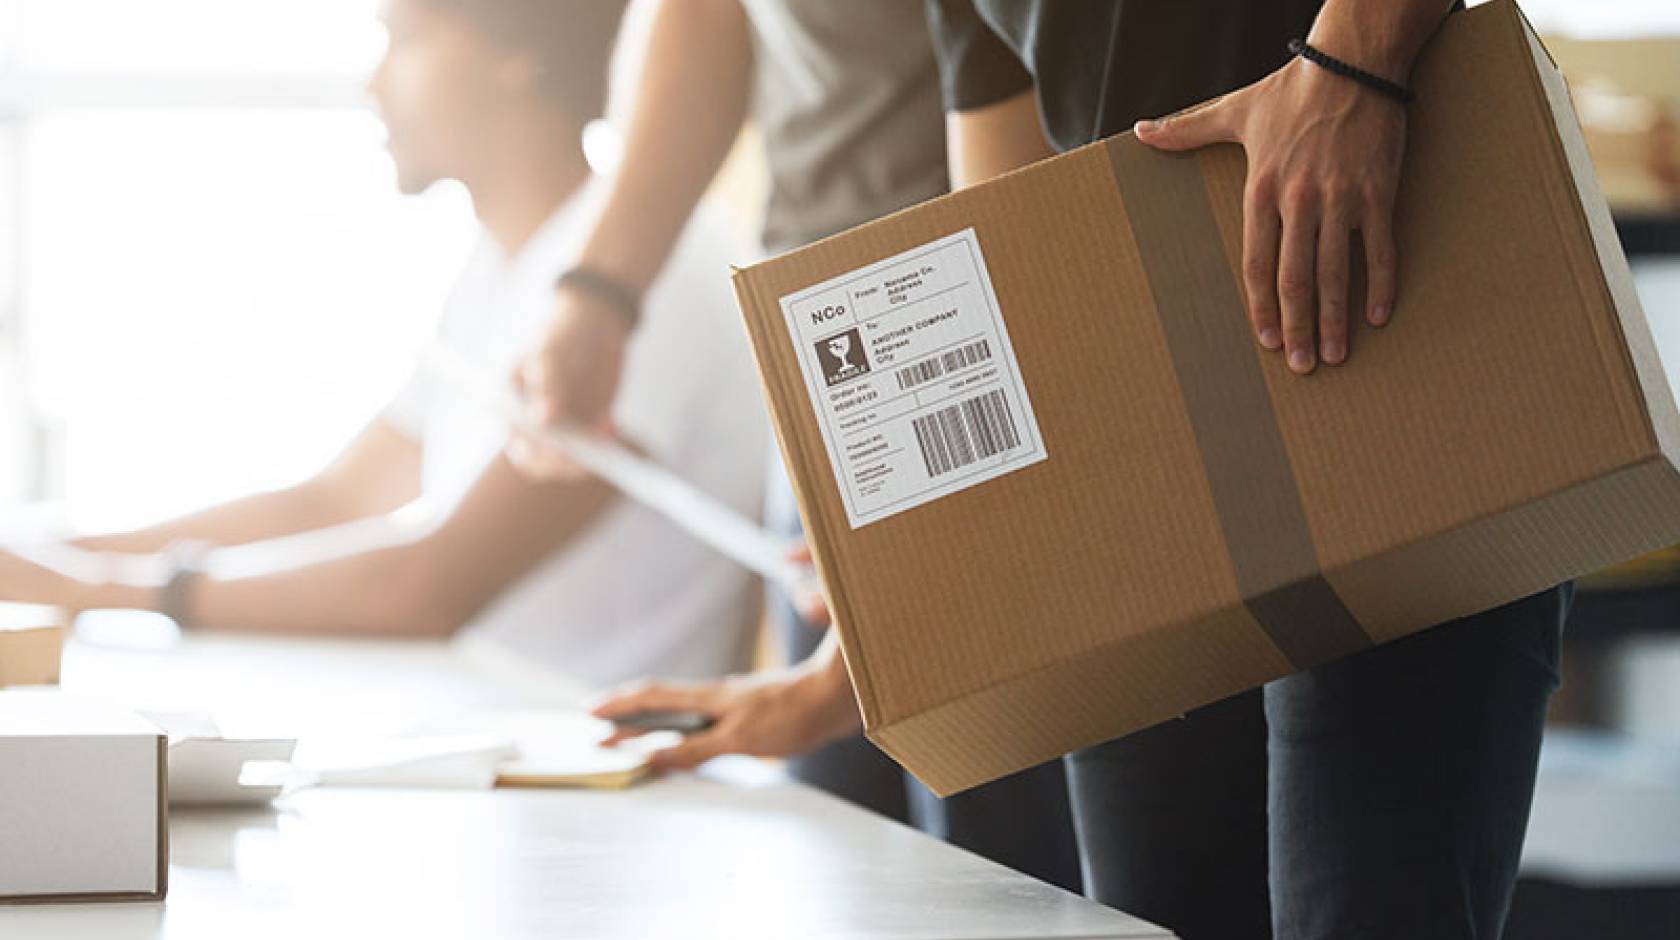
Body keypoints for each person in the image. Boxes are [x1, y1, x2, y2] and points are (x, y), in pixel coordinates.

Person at [598, 2, 1570, 938]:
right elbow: (1003, 297)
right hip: (1152, 479)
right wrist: (859, 653)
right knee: (1149, 922)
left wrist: (1353, 63)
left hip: (1404, 354)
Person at [0, 0, 767, 691]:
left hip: (612, 772)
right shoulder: (499, 270)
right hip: (498, 736)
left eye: (404, 41)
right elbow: (334, 500)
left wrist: (91, 590)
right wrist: (53, 553)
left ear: (515, 55)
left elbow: (426, 585)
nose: (372, 83)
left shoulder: (641, 279)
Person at [506, 0, 1081, 894]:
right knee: (860, 886)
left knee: (996, 892)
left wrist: (839, 680)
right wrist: (600, 290)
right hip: (818, 368)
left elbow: (1017, 201)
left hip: (986, 375)